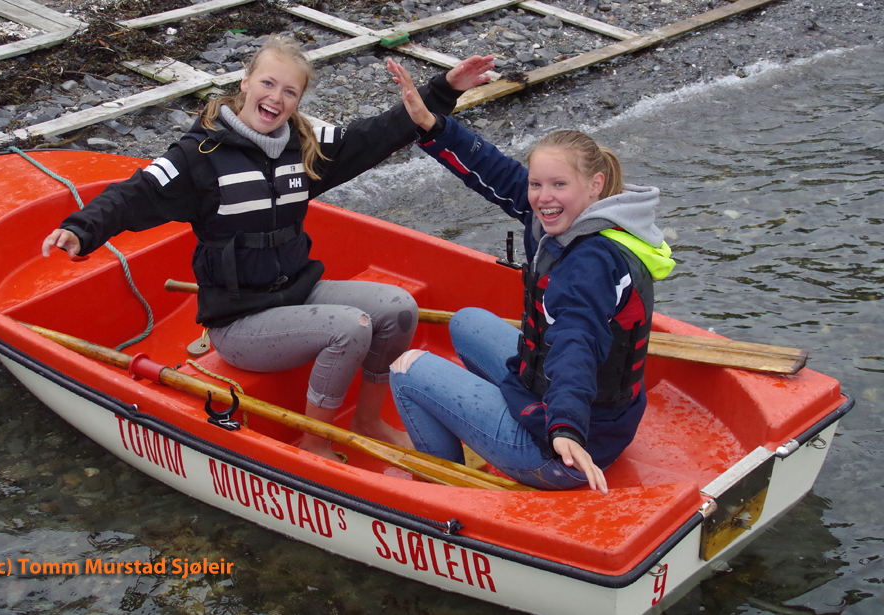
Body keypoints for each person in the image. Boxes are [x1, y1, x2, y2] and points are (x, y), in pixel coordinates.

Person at [41, 34, 495, 460]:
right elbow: (134, 194)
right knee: (351, 327)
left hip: (297, 292)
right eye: (268, 83)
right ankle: (314, 443)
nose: (276, 98)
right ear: (245, 82)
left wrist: (444, 89)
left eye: (290, 91)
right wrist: (81, 229)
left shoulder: (304, 144)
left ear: (298, 100)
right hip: (240, 321)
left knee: (398, 309)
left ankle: (368, 421)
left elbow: (375, 133)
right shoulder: (197, 156)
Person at [384, 61, 675, 493]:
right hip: (597, 415)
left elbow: (576, 342)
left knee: (406, 369)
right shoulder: (580, 218)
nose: (542, 197)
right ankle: (491, 422)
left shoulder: (590, 262)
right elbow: (496, 172)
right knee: (466, 322)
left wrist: (566, 427)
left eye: (558, 185)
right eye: (537, 184)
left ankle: (446, 491)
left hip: (565, 449)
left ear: (595, 185)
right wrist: (432, 125)